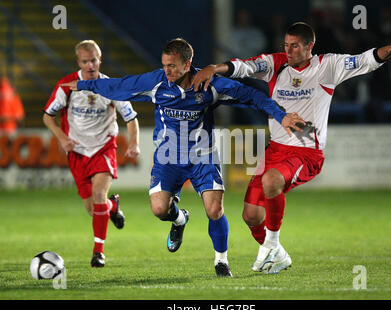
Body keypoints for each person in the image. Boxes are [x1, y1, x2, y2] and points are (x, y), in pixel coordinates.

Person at [61, 38, 306, 277]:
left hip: (203, 157)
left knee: (214, 210)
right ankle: (179, 219)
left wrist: (280, 114)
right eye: (164, 64)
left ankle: (221, 261)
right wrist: (85, 85)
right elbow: (121, 86)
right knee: (159, 210)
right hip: (168, 159)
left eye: (172, 66)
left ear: (187, 65)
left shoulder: (211, 85)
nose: (166, 70)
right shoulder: (157, 82)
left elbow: (253, 96)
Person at [192, 22, 391, 274]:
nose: (289, 50)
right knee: (251, 216)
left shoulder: (327, 66)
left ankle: (271, 245)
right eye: (286, 45)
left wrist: (388, 49)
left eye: (295, 46)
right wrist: (212, 68)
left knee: (272, 181)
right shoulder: (276, 64)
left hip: (306, 152)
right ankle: (279, 255)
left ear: (309, 46)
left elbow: (364, 60)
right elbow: (244, 66)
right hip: (274, 150)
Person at [43, 40, 140, 268]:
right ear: (78, 62)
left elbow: (131, 118)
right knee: (93, 209)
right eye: (85, 61)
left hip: (103, 148)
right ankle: (113, 207)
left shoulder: (111, 87)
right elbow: (48, 116)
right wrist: (62, 137)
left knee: (98, 196)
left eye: (94, 60)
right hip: (77, 152)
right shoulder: (67, 86)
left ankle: (98, 252)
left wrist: (134, 144)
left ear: (100, 59)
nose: (90, 65)